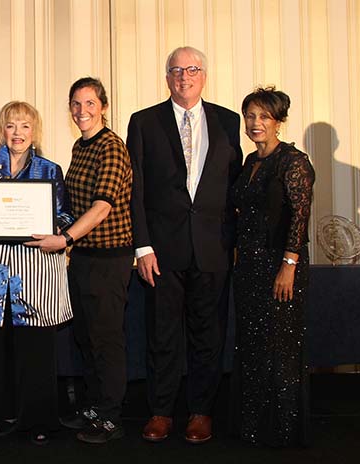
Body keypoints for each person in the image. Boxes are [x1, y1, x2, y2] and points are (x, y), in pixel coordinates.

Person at [127, 46, 243, 444]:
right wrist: (142, 246)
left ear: (204, 75)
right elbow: (135, 189)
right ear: (167, 77)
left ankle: (201, 412)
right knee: (161, 335)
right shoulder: (143, 122)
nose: (184, 76)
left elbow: (235, 187)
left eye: (192, 69)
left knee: (208, 335)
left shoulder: (228, 121)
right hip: (161, 251)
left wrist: (240, 241)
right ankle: (161, 411)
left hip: (213, 248)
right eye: (176, 70)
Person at [27, 78, 133, 444]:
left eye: (89, 103)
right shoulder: (80, 146)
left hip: (109, 258)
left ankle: (111, 418)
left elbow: (101, 207)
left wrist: (64, 239)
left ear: (103, 106)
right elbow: (69, 206)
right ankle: (93, 407)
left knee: (106, 339)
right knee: (86, 338)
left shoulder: (112, 147)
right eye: (75, 104)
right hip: (84, 257)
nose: (82, 111)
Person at [0, 101, 74, 445]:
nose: (18, 133)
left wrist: (53, 226)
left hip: (36, 265)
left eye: (25, 126)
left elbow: (66, 217)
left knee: (37, 346)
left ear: (34, 131)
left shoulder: (49, 169)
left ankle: (39, 418)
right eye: (11, 126)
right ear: (2, 130)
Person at [230, 87, 314, 447]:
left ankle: (284, 431)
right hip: (248, 266)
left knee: (281, 348)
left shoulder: (293, 161)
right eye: (250, 115)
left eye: (264, 116)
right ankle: (253, 429)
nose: (255, 123)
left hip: (281, 266)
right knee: (252, 347)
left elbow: (300, 217)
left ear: (279, 121)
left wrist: (289, 266)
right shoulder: (250, 161)